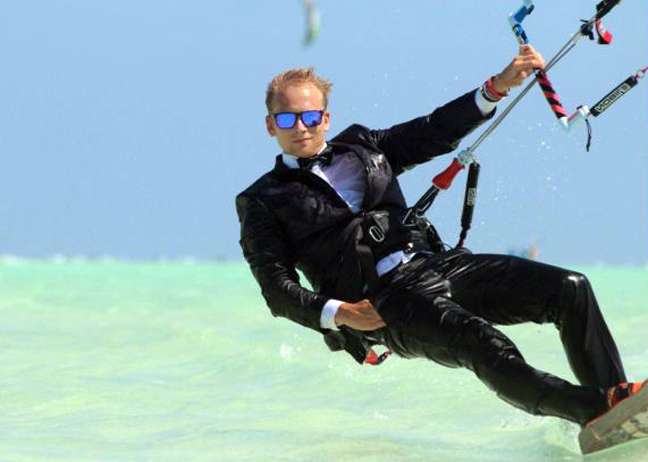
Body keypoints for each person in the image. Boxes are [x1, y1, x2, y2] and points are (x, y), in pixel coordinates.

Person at [235, 45, 645, 428]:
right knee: (481, 341)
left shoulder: (363, 145)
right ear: (270, 125)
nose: (300, 128)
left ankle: (619, 409)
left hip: (437, 264)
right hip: (383, 301)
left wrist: (496, 87)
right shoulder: (262, 200)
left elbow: (433, 131)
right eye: (287, 119)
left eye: (310, 117)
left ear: (325, 119)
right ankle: (596, 410)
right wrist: (342, 313)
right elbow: (277, 290)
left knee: (570, 289)